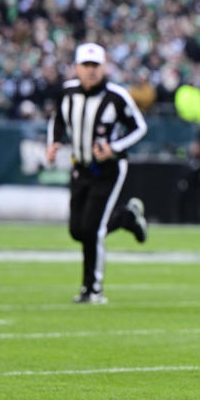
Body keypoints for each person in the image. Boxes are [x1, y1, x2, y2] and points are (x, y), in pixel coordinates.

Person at [45, 42, 148, 304]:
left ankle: (93, 290)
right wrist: (53, 142)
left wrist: (114, 147)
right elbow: (57, 118)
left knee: (93, 230)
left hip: (109, 169)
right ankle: (126, 218)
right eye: (86, 65)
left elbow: (139, 127)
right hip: (80, 166)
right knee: (77, 230)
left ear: (104, 68)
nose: (90, 71)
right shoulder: (67, 93)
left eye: (95, 66)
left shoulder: (116, 96)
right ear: (76, 67)